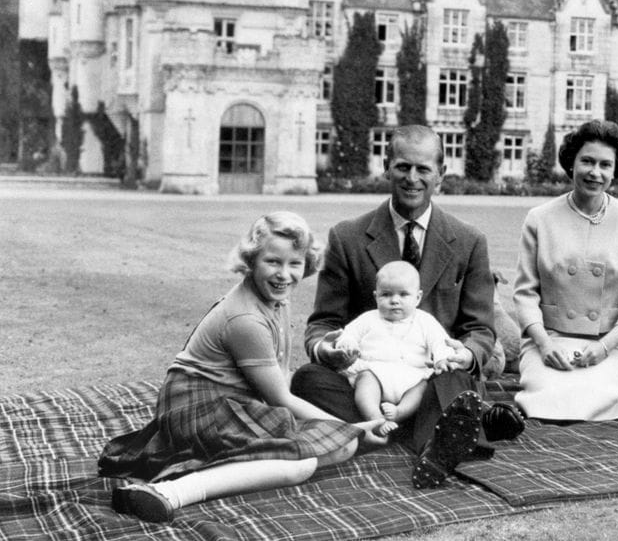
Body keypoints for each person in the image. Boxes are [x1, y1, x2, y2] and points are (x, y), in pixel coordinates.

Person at [98, 212, 383, 524]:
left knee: (339, 446)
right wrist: (353, 428)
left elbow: (280, 377)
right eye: (272, 262)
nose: (284, 274)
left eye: (295, 263)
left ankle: (219, 469)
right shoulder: (245, 319)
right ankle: (170, 491)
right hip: (198, 406)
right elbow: (281, 398)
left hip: (231, 403)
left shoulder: (275, 299)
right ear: (251, 260)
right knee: (303, 462)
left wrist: (343, 426)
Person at [291, 124, 525, 488]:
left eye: (423, 169)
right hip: (367, 382)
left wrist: (465, 354)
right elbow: (322, 324)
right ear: (386, 167)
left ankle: (411, 431)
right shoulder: (347, 237)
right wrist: (328, 349)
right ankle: (448, 431)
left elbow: (480, 328)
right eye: (402, 167)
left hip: (433, 379)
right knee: (307, 380)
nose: (412, 178)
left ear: (441, 174)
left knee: (458, 379)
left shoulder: (469, 241)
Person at [513, 119, 618, 421]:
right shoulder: (539, 219)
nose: (595, 172)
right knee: (549, 396)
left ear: (615, 170)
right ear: (571, 163)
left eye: (605, 165)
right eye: (587, 161)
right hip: (548, 339)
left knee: (594, 397)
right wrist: (544, 344)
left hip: (605, 344)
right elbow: (525, 294)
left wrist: (605, 347)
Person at [334, 260, 456, 436]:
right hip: (375, 372)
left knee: (423, 387)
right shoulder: (368, 319)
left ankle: (400, 413)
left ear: (418, 297)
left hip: (412, 376)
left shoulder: (425, 321)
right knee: (365, 381)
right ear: (376, 296)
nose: (394, 301)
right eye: (386, 295)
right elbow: (349, 333)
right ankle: (375, 418)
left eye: (403, 294)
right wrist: (348, 344)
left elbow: (440, 341)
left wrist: (442, 358)